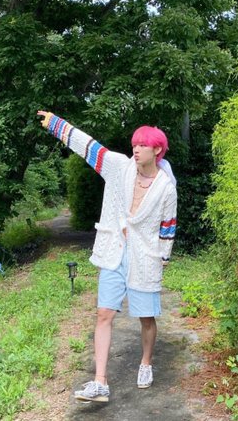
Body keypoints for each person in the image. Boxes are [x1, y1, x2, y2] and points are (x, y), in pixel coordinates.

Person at [37, 110, 177, 403]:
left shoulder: (166, 187)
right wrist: (56, 124)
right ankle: (99, 381)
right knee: (104, 313)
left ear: (157, 150)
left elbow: (168, 226)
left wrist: (163, 258)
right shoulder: (119, 167)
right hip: (114, 251)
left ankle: (146, 362)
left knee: (146, 317)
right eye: (134, 144)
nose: (135, 149)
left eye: (142, 145)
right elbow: (89, 147)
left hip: (145, 258)